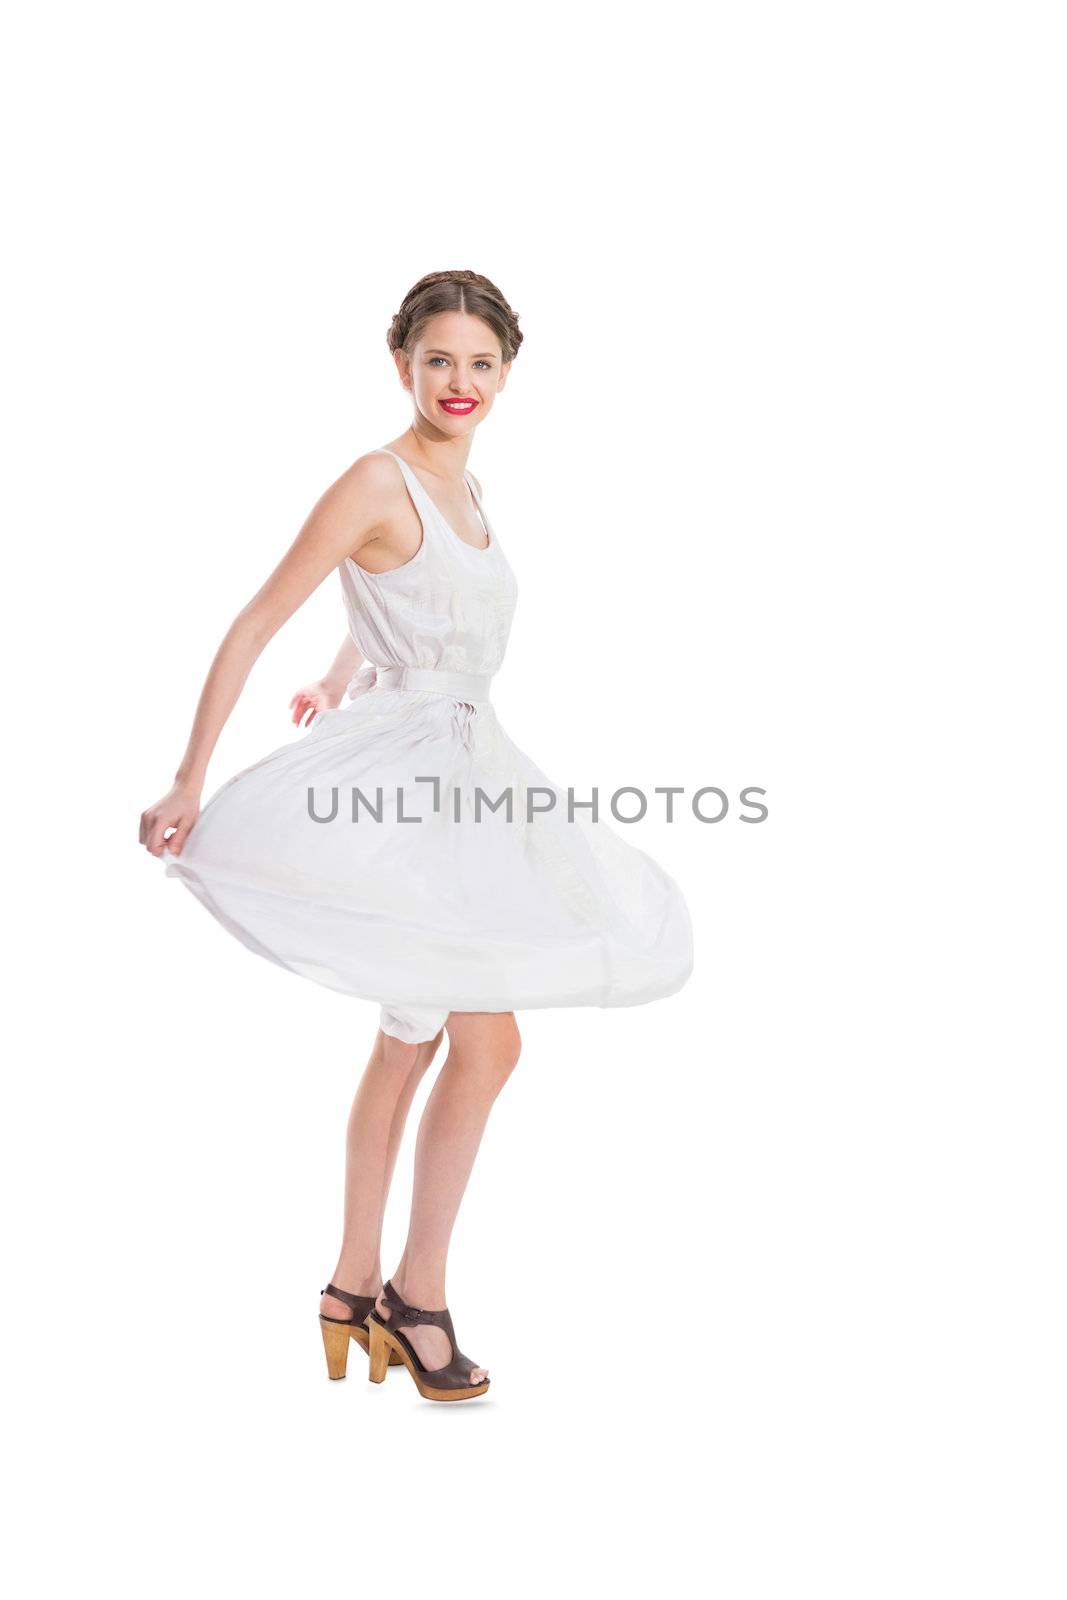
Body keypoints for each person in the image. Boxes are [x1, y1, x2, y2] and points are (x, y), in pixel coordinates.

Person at [138, 269, 694, 1402]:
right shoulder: (374, 477)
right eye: (438, 359)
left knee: (414, 1039)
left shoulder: (471, 486)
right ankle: (415, 1295)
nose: (460, 382)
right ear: (401, 362)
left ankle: (354, 1283)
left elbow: (408, 605)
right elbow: (257, 611)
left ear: (506, 373)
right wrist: (190, 775)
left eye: (481, 364)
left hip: (467, 776)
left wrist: (340, 669)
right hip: (407, 784)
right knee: (483, 1042)